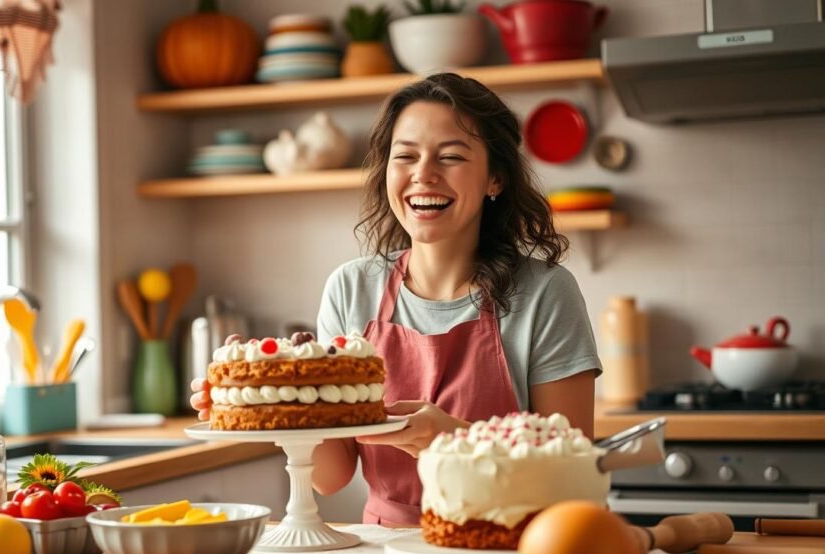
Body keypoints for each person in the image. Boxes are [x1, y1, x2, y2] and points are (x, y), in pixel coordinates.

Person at [191, 73, 602, 527]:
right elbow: (331, 475)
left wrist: (456, 438)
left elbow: (574, 471)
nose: (423, 175)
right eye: (404, 156)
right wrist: (261, 404)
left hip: (510, 549)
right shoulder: (351, 288)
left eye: (450, 157)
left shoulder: (545, 292)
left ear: (495, 178)